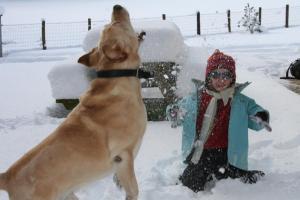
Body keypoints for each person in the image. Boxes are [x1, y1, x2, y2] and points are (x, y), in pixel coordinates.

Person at [166, 49, 271, 192]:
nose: (221, 80)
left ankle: (240, 173)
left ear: (232, 78)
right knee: (190, 184)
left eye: (226, 75)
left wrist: (260, 116)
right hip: (202, 151)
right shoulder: (195, 99)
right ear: (208, 76)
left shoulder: (240, 101)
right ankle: (203, 173)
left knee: (232, 180)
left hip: (228, 152)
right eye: (215, 74)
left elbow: (254, 114)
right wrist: (174, 113)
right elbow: (179, 114)